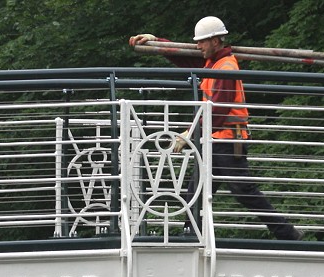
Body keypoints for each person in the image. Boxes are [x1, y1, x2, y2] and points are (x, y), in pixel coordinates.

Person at [129, 16, 303, 240]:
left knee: (243, 191)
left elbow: (218, 113)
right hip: (215, 139)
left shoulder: (226, 67)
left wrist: (189, 133)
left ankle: (288, 234)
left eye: (202, 42)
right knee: (197, 191)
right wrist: (157, 42)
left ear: (215, 41)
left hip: (228, 141)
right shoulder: (213, 62)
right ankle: (192, 234)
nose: (198, 46)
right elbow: (183, 59)